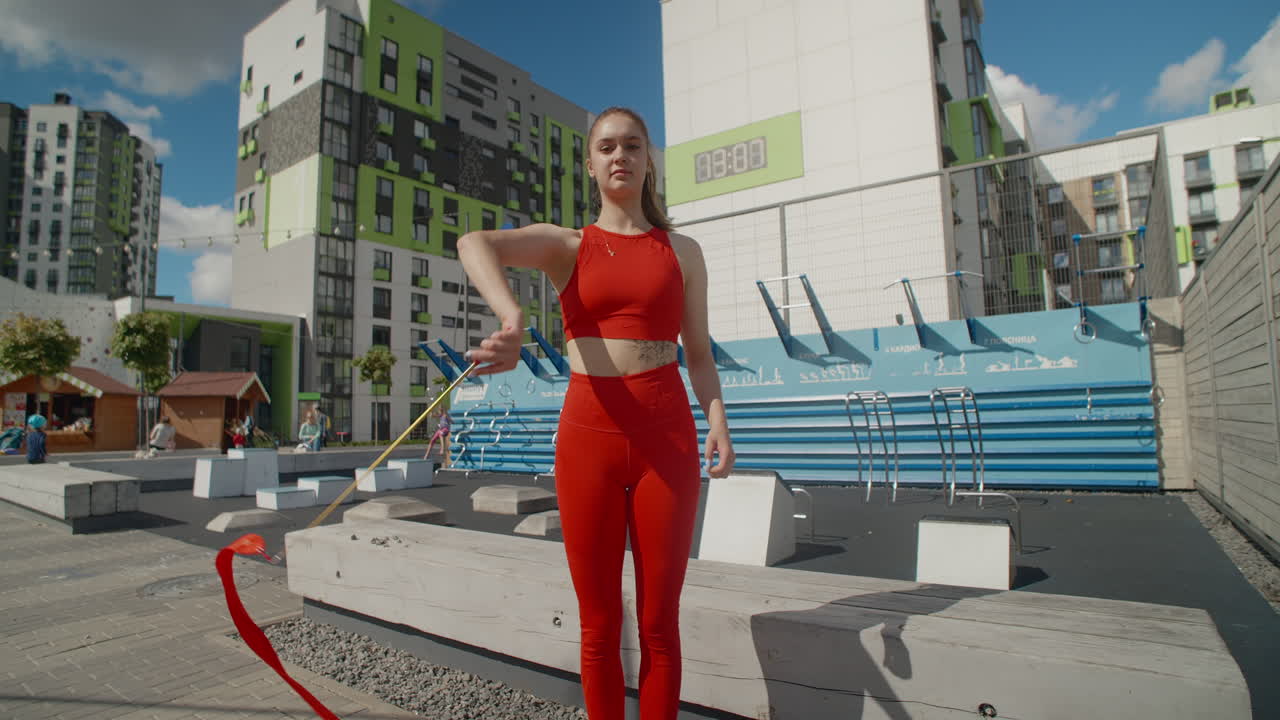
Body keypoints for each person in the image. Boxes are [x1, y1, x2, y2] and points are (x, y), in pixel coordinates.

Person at [457, 106, 734, 720]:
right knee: (599, 623)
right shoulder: (567, 246)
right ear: (590, 163)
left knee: (660, 622)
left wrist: (716, 418)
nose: (620, 156)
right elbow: (473, 243)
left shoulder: (682, 251)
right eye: (606, 147)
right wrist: (512, 319)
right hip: (588, 442)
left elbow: (700, 352)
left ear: (647, 159)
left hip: (667, 440)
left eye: (632, 145)